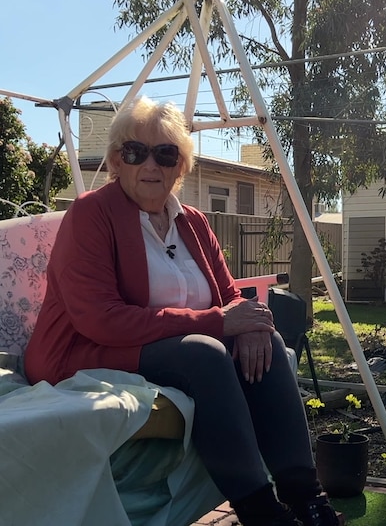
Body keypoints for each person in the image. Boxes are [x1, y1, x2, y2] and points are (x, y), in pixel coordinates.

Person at [25, 96, 339, 526]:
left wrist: (248, 326)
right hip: (85, 350)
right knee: (204, 353)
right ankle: (261, 512)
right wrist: (220, 321)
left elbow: (229, 294)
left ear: (181, 165)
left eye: (165, 153)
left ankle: (307, 498)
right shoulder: (91, 215)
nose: (150, 165)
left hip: (162, 348)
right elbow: (100, 318)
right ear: (117, 160)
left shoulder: (192, 220)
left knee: (269, 341)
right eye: (135, 152)